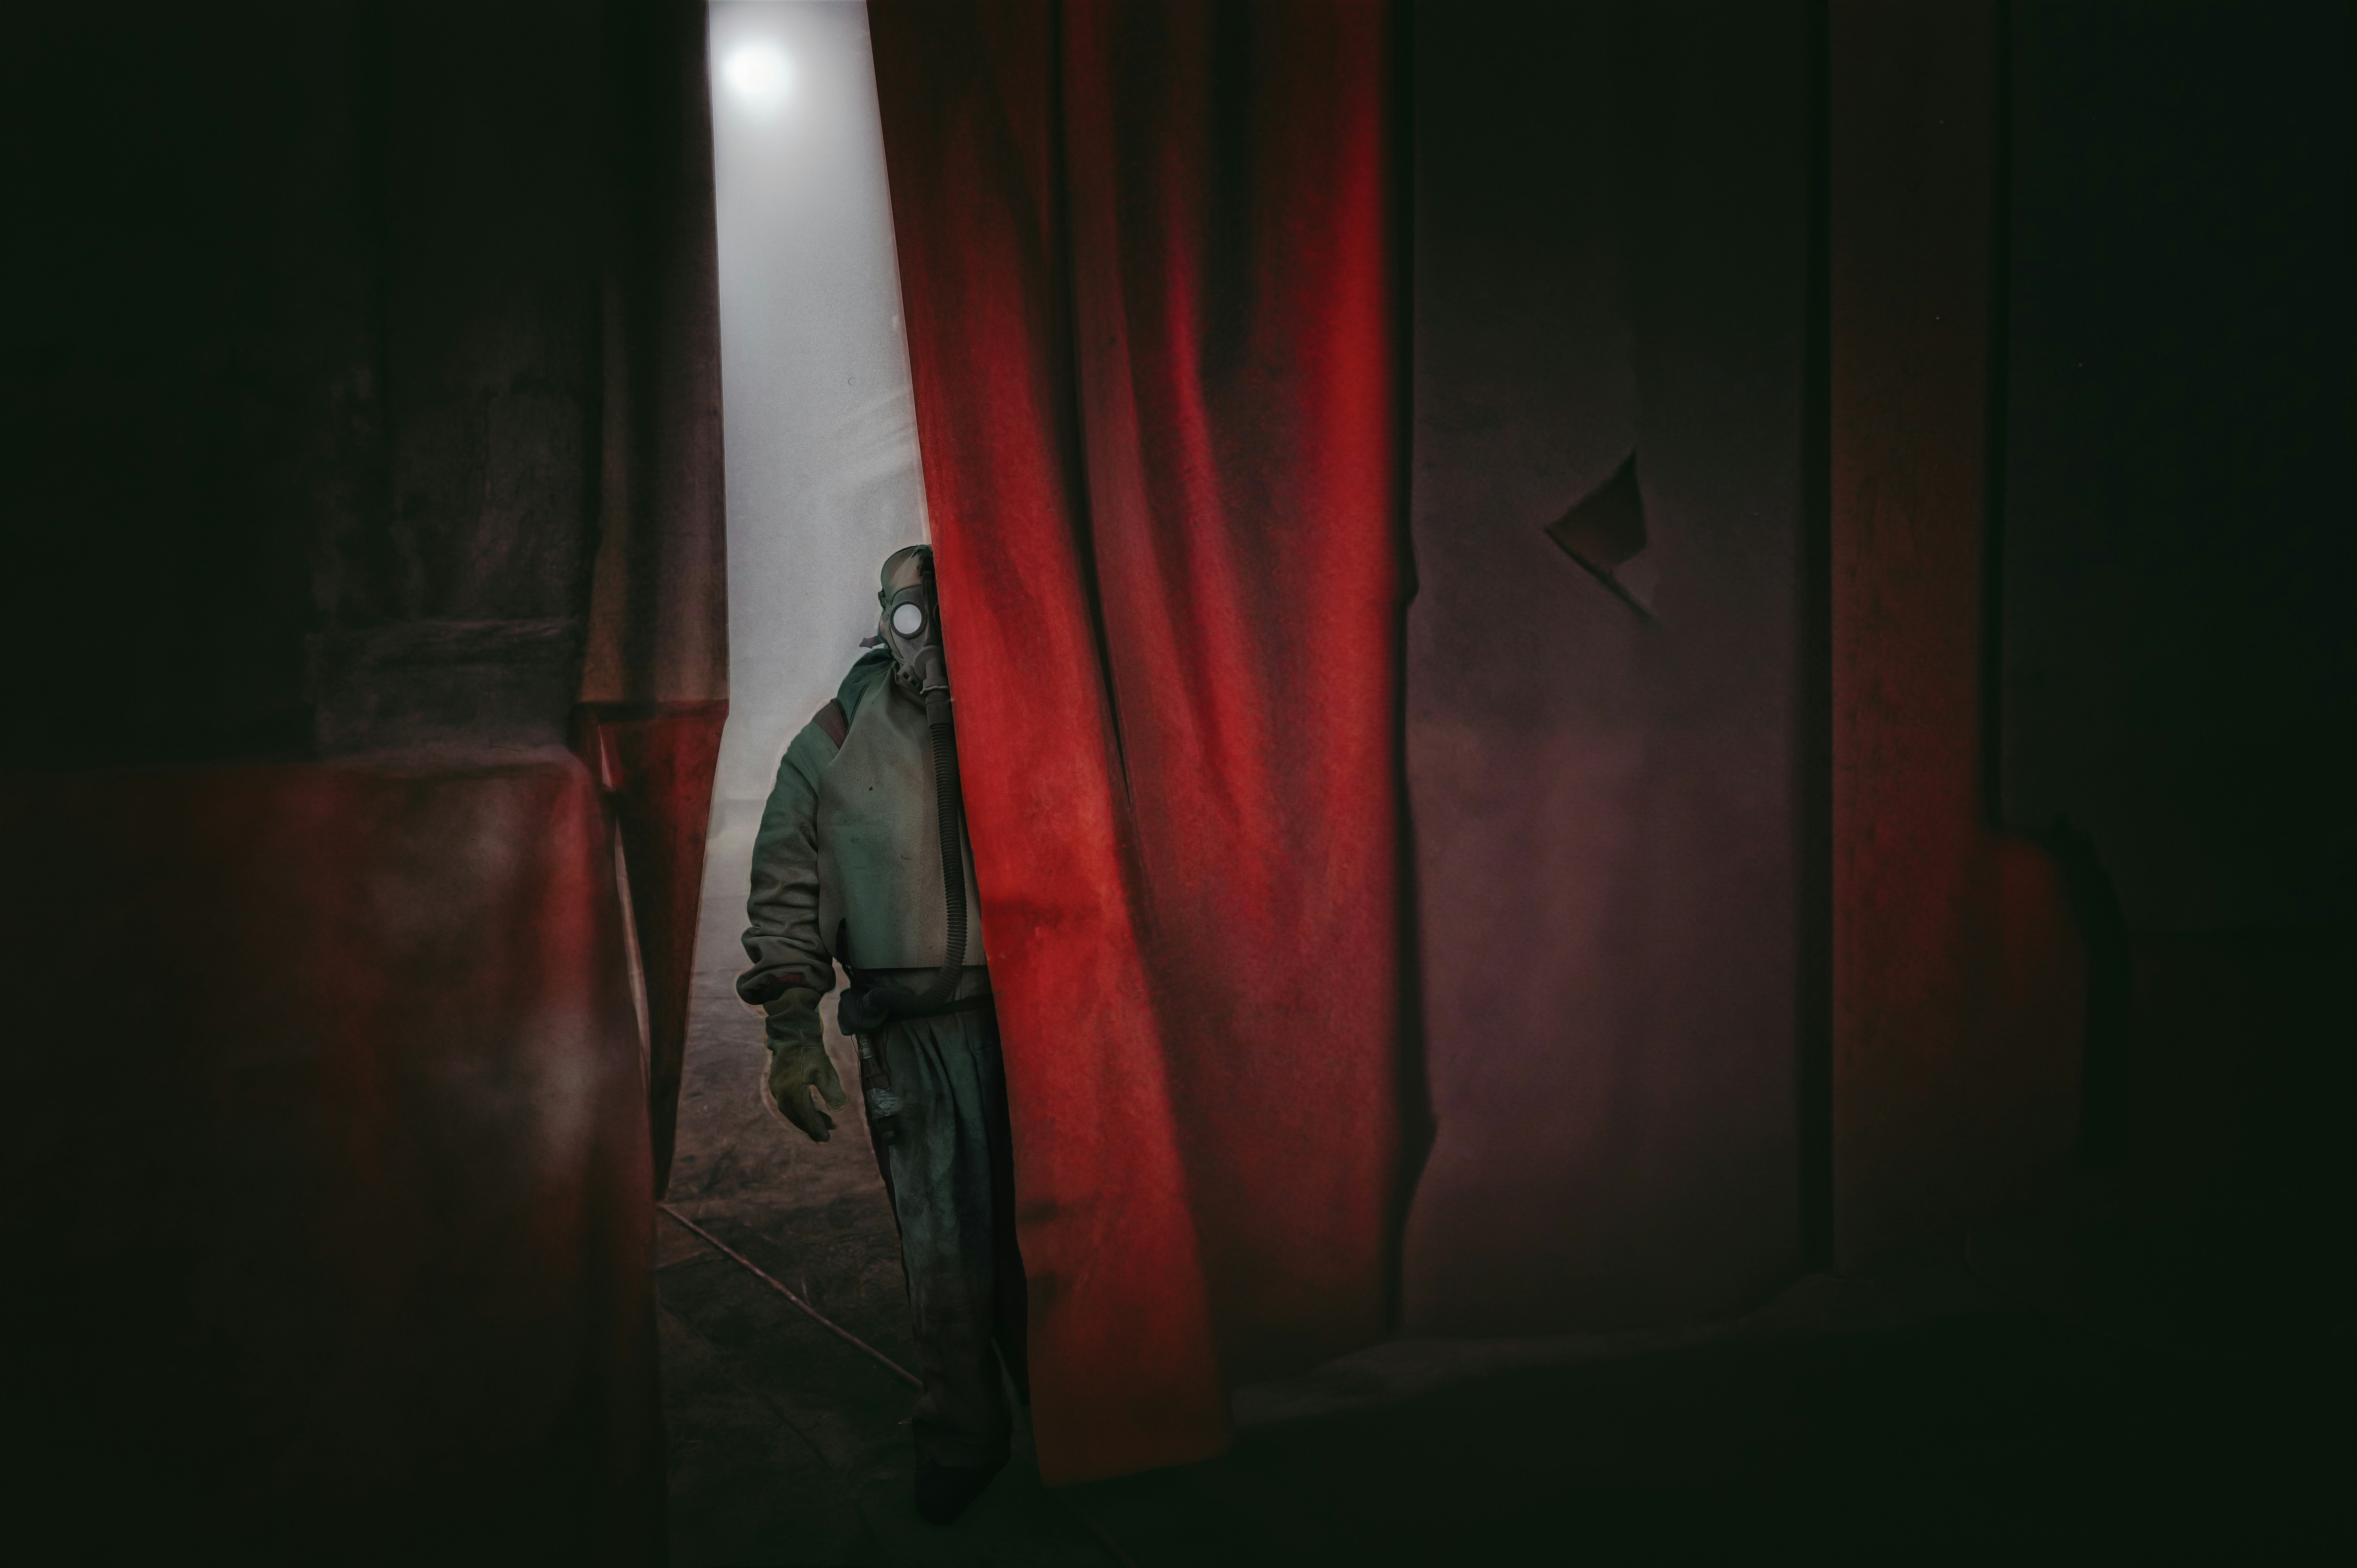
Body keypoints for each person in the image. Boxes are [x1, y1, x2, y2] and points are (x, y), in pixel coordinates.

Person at [736, 544, 1027, 1527]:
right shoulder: (836, 736)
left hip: (1037, 1028)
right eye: (911, 617)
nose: (927, 637)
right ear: (886, 621)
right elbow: (785, 884)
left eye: (939, 613)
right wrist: (792, 1033)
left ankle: (1082, 1417)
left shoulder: (1025, 708)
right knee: (945, 1251)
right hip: (913, 1040)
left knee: (1056, 1236)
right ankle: (964, 1433)